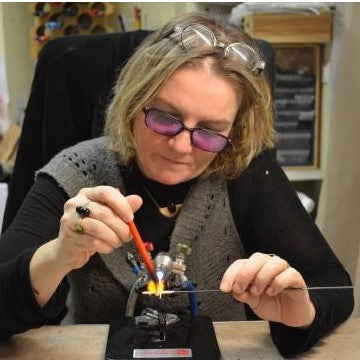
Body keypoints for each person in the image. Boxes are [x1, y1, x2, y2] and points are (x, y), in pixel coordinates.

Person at [0, 12, 353, 358]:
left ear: (235, 131)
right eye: (166, 118)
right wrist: (59, 255)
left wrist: (301, 312)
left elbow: (331, 281)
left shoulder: (246, 173)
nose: (182, 147)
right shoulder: (77, 171)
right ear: (133, 102)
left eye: (211, 132)